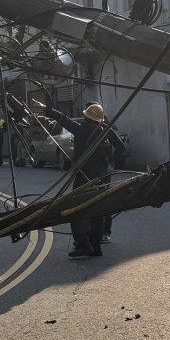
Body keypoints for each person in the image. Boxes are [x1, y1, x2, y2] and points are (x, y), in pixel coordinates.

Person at [43, 102, 125, 258]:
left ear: (86, 117)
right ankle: (96, 247)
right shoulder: (106, 130)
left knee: (76, 210)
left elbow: (64, 120)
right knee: (97, 212)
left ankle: (83, 244)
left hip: (83, 178)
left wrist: (50, 111)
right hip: (102, 177)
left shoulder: (80, 129)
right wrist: (111, 164)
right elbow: (121, 147)